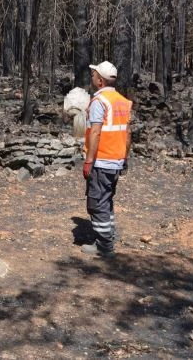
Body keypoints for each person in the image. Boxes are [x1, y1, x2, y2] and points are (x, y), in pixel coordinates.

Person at [82, 60, 132, 258]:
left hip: (101, 161)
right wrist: (124, 158)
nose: (92, 77)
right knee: (107, 200)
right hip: (116, 160)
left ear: (100, 81)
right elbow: (127, 134)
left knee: (97, 203)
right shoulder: (122, 101)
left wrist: (88, 161)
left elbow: (95, 133)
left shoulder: (99, 102)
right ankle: (107, 237)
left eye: (94, 75)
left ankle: (104, 246)